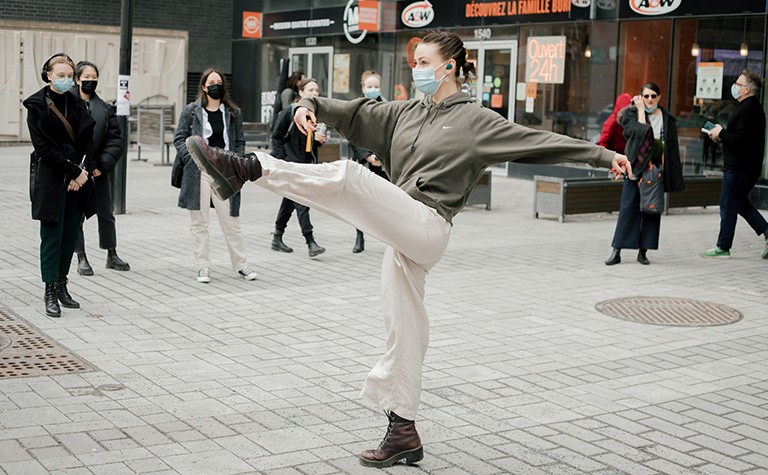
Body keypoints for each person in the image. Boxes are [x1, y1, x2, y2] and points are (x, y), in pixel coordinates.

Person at [183, 31, 631, 468]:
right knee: (405, 327)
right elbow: (346, 110)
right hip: (401, 226)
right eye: (413, 62)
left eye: (422, 63)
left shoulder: (476, 122)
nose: (415, 70)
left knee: (350, 177)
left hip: (429, 224)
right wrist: (307, 105)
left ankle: (248, 167)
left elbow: (539, 141)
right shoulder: (404, 113)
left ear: (449, 68)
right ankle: (403, 431)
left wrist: (602, 155)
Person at [23, 53, 95, 318]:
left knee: (70, 235)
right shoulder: (37, 106)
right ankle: (49, 290)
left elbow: (89, 141)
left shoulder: (78, 104)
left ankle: (63, 284)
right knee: (52, 237)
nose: (65, 80)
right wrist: (75, 171)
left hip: (78, 181)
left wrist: (83, 173)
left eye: (69, 76)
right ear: (48, 75)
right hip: (53, 179)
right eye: (60, 75)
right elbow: (43, 148)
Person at [173, 67, 257, 283]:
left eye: (219, 82)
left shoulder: (233, 113)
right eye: (211, 82)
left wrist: (237, 163)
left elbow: (239, 141)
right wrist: (191, 157)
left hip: (225, 171)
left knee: (231, 221)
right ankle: (203, 267)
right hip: (198, 171)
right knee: (199, 222)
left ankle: (242, 265)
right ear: (203, 86)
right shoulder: (192, 111)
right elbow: (180, 137)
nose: (215, 85)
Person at [605, 82, 685, 266]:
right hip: (634, 168)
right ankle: (617, 250)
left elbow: (671, 149)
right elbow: (636, 134)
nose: (650, 100)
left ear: (659, 97)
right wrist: (641, 111)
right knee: (627, 209)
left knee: (651, 209)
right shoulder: (631, 114)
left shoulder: (667, 119)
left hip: (654, 171)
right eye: (646, 96)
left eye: (653, 96)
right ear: (641, 97)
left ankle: (643, 252)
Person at [700, 70, 768, 259]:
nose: (734, 87)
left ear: (746, 89)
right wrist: (719, 135)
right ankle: (766, 232)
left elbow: (740, 140)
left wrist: (721, 132)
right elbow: (740, 139)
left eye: (738, 84)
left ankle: (723, 247)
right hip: (741, 166)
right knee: (737, 203)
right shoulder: (749, 108)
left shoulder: (749, 110)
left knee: (728, 205)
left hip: (740, 168)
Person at [72, 60, 129, 276]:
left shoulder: (105, 109)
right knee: (77, 214)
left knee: (106, 212)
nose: (90, 82)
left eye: (94, 78)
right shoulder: (69, 106)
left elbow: (115, 140)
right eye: (86, 78)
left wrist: (102, 164)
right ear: (77, 80)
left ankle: (111, 253)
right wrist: (78, 167)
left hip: (99, 171)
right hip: (76, 170)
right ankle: (81, 256)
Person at [269, 77, 327, 257]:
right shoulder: (290, 112)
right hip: (291, 165)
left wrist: (318, 141)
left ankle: (277, 237)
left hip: (306, 165)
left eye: (316, 90)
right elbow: (276, 136)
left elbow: (309, 145)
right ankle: (310, 242)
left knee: (289, 201)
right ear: (300, 93)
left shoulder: (314, 115)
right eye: (310, 90)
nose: (314, 93)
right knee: (302, 202)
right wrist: (283, 160)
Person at [348, 70, 388, 253]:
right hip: (365, 161)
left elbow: (390, 134)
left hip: (384, 162)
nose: (373, 89)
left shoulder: (387, 107)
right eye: (369, 86)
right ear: (363, 88)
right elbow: (353, 136)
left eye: (376, 86)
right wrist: (368, 156)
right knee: (361, 201)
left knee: (388, 199)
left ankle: (393, 238)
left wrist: (381, 157)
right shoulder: (356, 108)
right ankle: (360, 236)